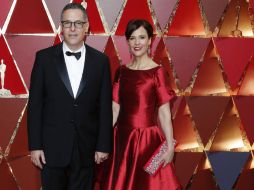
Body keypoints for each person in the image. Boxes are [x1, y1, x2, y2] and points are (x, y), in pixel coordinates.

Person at [27, 3, 112, 190]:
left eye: (78, 23)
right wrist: (35, 145)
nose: (72, 29)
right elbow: (35, 106)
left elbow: (105, 108)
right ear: (61, 27)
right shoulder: (43, 58)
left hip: (86, 148)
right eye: (67, 23)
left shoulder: (101, 61)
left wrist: (103, 145)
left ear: (86, 26)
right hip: (51, 147)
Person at [100, 19, 181, 189]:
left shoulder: (158, 72)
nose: (137, 43)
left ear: (150, 40)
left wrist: (169, 146)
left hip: (147, 141)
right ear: (128, 41)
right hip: (121, 139)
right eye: (132, 38)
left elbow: (164, 113)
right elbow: (115, 109)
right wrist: (103, 140)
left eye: (142, 37)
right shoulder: (121, 71)